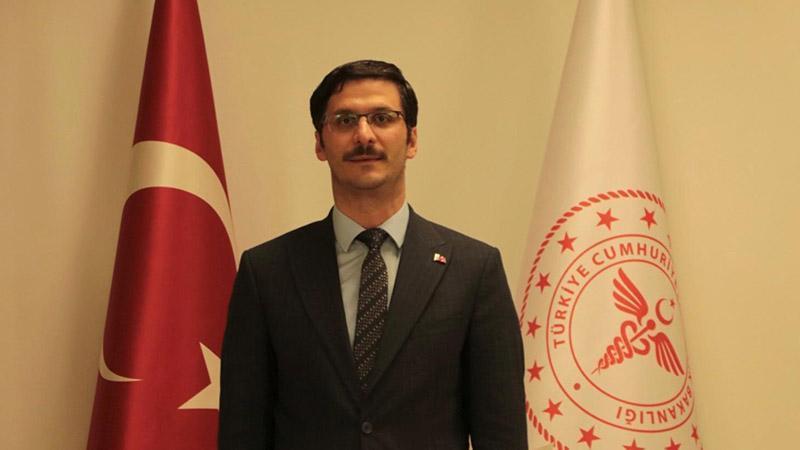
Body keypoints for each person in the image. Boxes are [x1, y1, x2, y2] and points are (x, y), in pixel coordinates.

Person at [218, 60, 527, 450]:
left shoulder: (474, 271)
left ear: (411, 139)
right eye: (345, 120)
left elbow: (501, 435)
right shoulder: (266, 272)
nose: (364, 135)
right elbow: (242, 432)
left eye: (382, 118)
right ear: (320, 143)